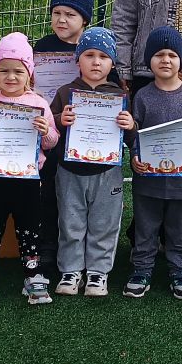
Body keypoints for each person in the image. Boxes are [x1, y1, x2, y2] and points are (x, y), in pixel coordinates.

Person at [0, 32, 60, 306]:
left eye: (18, 71)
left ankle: (32, 273)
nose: (10, 77)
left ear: (29, 73)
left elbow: (52, 142)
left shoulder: (39, 104)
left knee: (30, 226)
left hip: (28, 180)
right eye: (4, 70)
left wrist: (46, 131)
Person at [124, 26, 182, 300]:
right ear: (148, 60)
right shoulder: (142, 96)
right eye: (159, 55)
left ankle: (179, 271)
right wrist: (134, 156)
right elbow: (134, 134)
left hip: (181, 182)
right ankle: (141, 270)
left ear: (181, 60)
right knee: (145, 228)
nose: (165, 60)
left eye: (172, 55)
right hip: (147, 180)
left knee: (179, 229)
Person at [49, 27, 135, 297]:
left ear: (113, 63)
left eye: (103, 56)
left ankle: (98, 272)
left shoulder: (120, 96)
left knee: (104, 223)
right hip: (70, 170)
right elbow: (48, 129)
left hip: (107, 172)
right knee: (70, 222)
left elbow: (132, 136)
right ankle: (71, 270)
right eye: (89, 55)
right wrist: (59, 120)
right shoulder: (65, 93)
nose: (96, 62)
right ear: (78, 59)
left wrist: (130, 125)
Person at [34, 0, 96, 276]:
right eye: (56, 13)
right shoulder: (42, 47)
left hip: (83, 137)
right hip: (49, 132)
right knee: (48, 191)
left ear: (84, 20)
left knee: (78, 196)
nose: (61, 19)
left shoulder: (93, 50)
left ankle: (81, 246)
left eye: (70, 14)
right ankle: (48, 245)